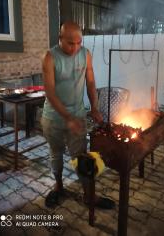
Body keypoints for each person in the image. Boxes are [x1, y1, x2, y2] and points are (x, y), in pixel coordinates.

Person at [41, 21, 114, 209]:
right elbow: (50, 92)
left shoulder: (85, 54)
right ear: (60, 39)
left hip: (78, 115)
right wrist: (67, 118)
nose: (75, 48)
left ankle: (90, 196)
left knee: (82, 156)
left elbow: (90, 83)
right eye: (70, 43)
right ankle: (58, 187)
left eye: (78, 42)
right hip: (53, 118)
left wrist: (95, 108)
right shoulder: (49, 57)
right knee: (55, 153)